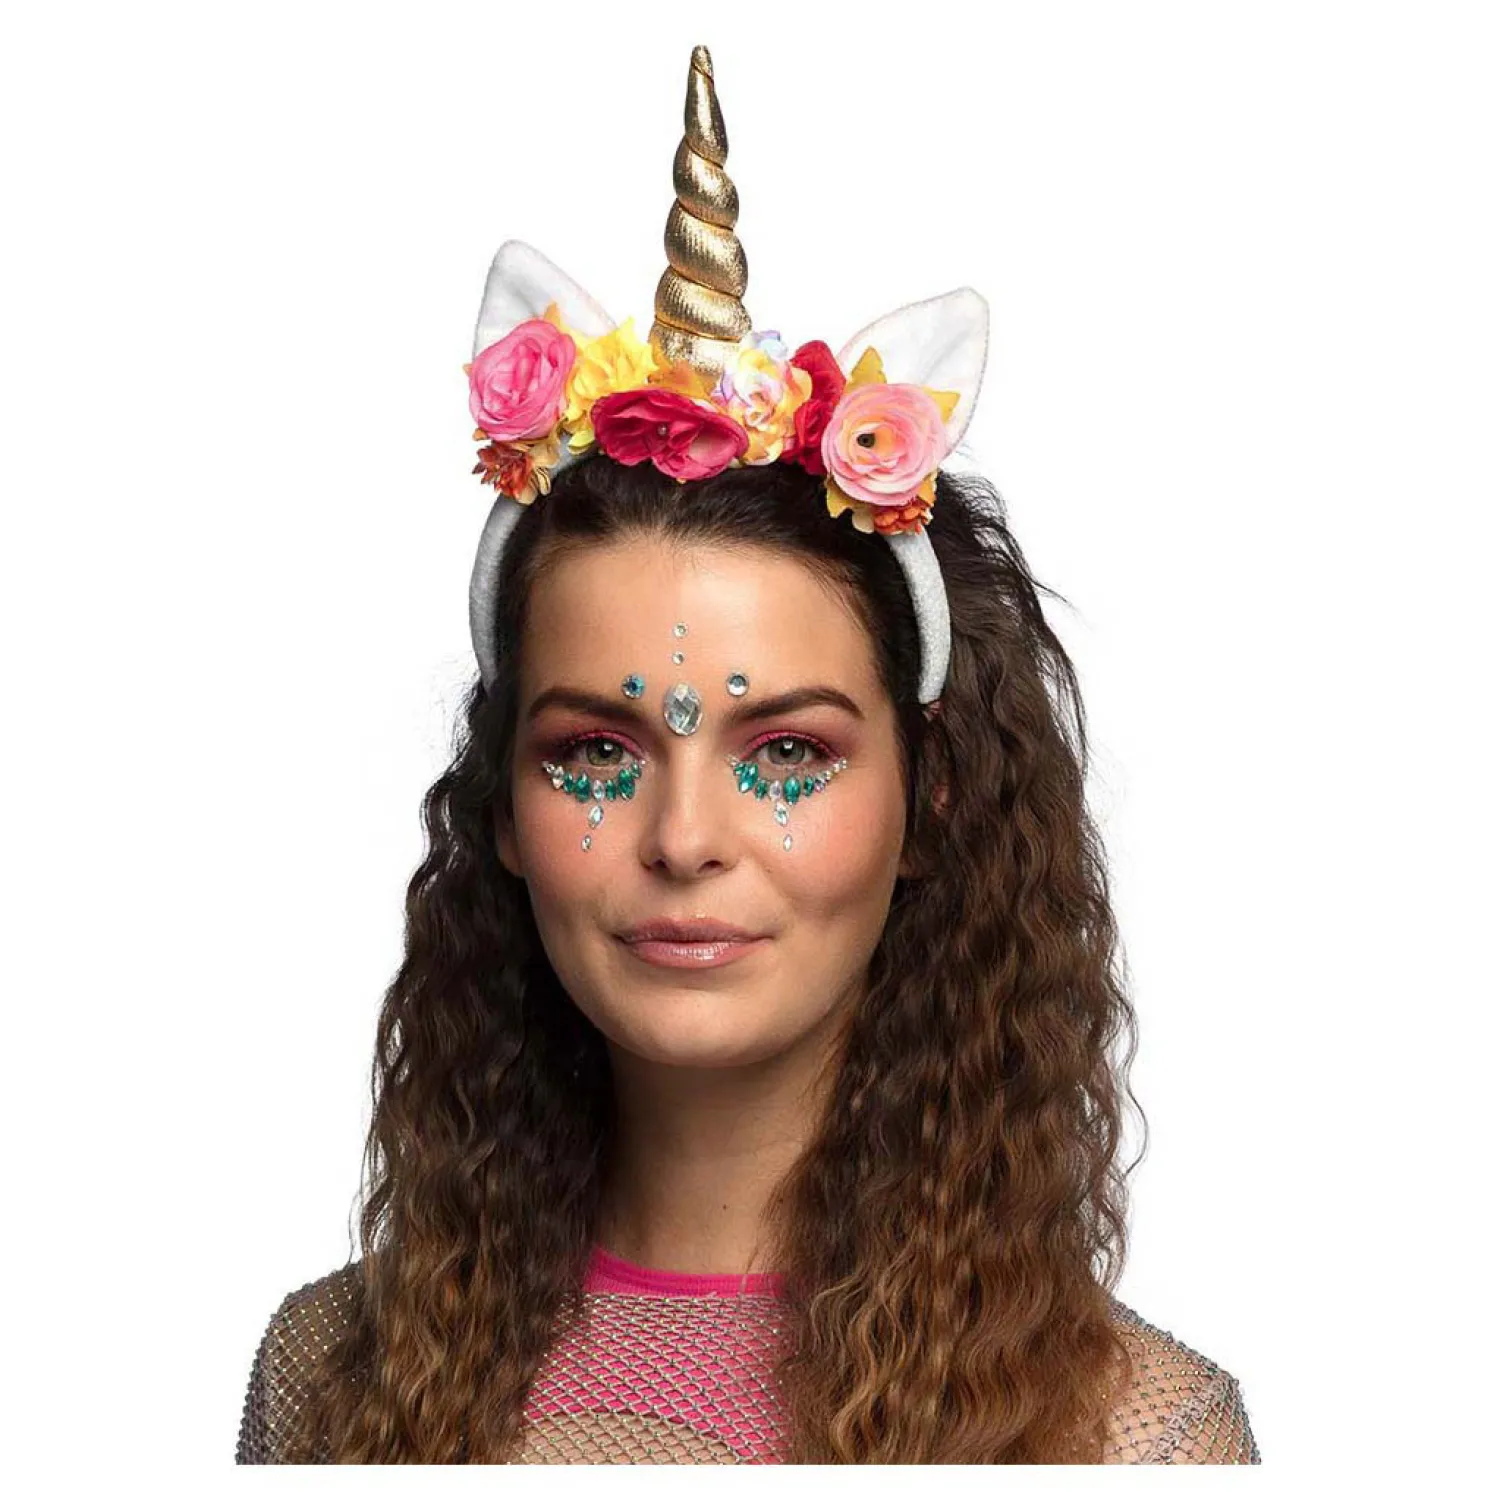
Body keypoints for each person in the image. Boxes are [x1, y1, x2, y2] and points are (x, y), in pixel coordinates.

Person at [236, 46, 1259, 1464]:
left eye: (785, 752)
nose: (684, 838)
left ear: (932, 796)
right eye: (594, 752)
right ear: (503, 806)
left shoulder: (1129, 1438)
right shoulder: (330, 1379)